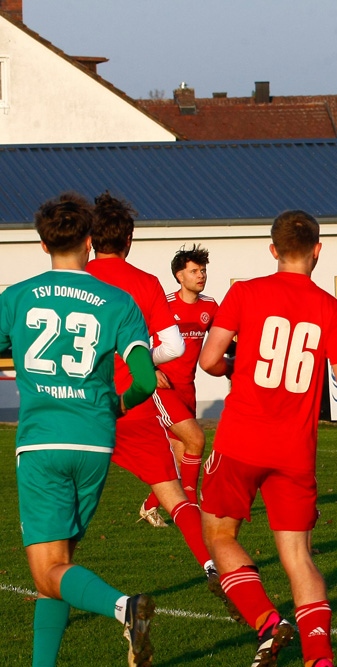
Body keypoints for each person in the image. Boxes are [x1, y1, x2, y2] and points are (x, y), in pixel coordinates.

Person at [200, 210, 337, 667]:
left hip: (241, 438)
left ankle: (267, 621)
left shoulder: (244, 292)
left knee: (219, 534)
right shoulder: (334, 309)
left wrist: (234, 368)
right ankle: (319, 657)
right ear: (318, 250)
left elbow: (209, 359)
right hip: (295, 449)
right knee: (299, 556)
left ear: (272, 249)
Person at [0, 194, 156, 667]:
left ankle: (122, 606)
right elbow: (146, 380)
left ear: (43, 242)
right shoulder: (118, 300)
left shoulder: (18, 296)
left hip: (43, 440)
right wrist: (116, 405)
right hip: (94, 441)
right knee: (59, 564)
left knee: (48, 572)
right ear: (90, 242)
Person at [85, 193, 228, 612]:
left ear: (89, 239)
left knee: (61, 529)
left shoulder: (73, 277)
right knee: (176, 495)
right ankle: (211, 566)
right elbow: (170, 345)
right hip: (132, 403)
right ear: (129, 238)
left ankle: (80, 595)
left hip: (77, 408)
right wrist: (141, 362)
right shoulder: (147, 283)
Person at [140, 244, 216, 521]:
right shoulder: (165, 305)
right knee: (196, 439)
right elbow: (134, 343)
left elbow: (225, 337)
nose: (201, 275)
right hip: (164, 388)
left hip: (188, 387)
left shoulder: (210, 307)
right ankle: (191, 506)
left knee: (182, 454)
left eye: (203, 270)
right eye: (194, 271)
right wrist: (149, 369)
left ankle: (151, 504)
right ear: (179, 276)